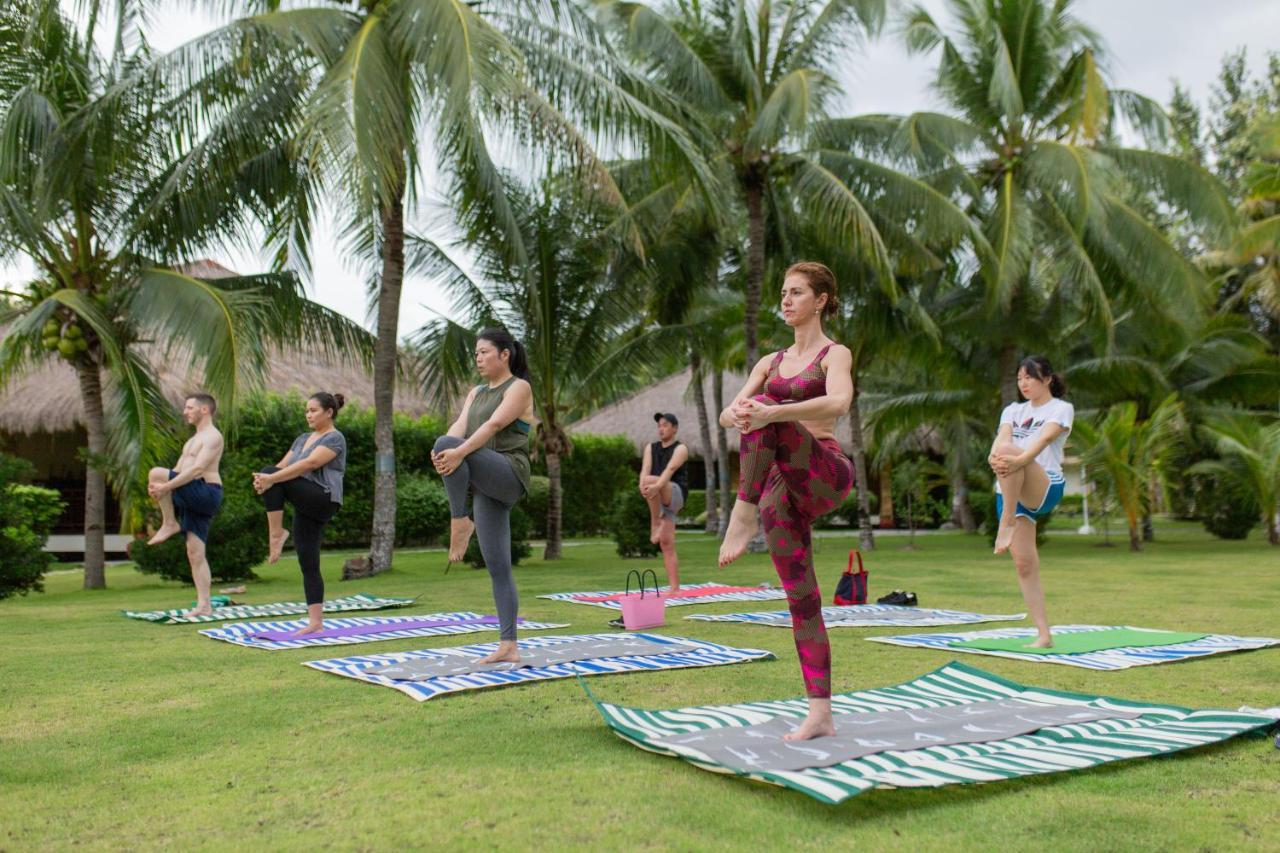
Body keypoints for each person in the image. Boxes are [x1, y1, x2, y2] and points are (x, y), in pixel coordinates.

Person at [717, 261, 855, 741]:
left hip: (824, 471)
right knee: (802, 598)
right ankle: (820, 713)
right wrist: (741, 412)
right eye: (783, 292)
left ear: (820, 300)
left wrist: (777, 411)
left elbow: (839, 403)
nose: (786, 300)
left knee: (766, 415)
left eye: (797, 292)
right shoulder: (768, 363)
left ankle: (741, 513)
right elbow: (724, 415)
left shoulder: (834, 354)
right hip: (776, 485)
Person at [432, 328, 534, 665]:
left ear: (505, 354)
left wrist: (456, 452)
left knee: (451, 448)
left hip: (509, 472)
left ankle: (460, 520)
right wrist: (441, 453)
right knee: (498, 567)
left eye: (484, 352)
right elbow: (458, 428)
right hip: (486, 483)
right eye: (475, 353)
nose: (478, 358)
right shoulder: (476, 392)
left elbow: (491, 427)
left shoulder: (519, 387)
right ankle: (509, 645)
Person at [988, 356, 1073, 648]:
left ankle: (1007, 520)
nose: (1023, 383)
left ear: (1047, 379)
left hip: (1044, 484)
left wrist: (1016, 458)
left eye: (1030, 377)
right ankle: (1044, 634)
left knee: (1010, 449)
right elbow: (1001, 437)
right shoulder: (1013, 410)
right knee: (1024, 565)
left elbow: (1043, 441)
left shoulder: (1061, 409)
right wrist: (993, 457)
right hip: (1010, 488)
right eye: (1019, 378)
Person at [252, 392, 348, 636]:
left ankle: (276, 533)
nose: (308, 415)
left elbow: (309, 465)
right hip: (307, 503)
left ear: (329, 412)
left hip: (324, 497)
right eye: (306, 411)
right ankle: (315, 622)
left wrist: (270, 478)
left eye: (313, 410)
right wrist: (264, 482)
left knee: (271, 475)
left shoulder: (334, 438)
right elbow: (283, 467)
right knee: (308, 562)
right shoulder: (302, 439)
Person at [145, 394, 225, 617]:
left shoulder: (212, 436)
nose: (185, 411)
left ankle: (170, 523)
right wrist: (160, 490)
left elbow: (198, 470)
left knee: (156, 473)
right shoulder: (192, 440)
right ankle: (204, 605)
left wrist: (164, 485)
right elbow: (179, 471)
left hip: (206, 492)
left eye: (190, 407)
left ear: (205, 410)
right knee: (195, 552)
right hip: (192, 494)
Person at [641, 412, 689, 592]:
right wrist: (642, 485)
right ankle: (675, 587)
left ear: (674, 428)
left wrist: (653, 486)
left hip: (675, 493)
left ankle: (655, 522)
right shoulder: (650, 448)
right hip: (657, 497)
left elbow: (669, 470)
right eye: (659, 425)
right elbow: (645, 469)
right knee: (666, 543)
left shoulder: (681, 448)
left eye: (665, 425)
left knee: (650, 481)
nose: (661, 429)